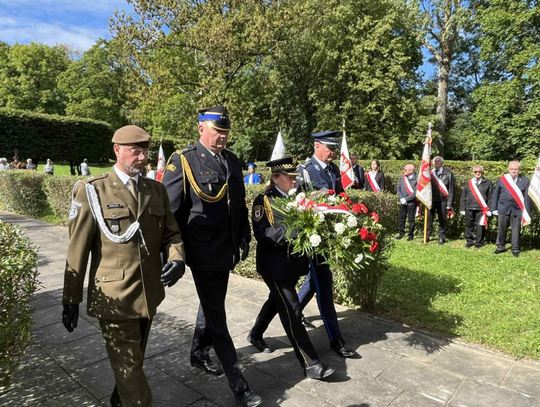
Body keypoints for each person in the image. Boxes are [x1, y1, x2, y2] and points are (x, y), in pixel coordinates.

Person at [61, 125, 186, 407]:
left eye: (145, 151)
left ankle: (119, 401)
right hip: (114, 297)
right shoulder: (93, 190)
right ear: (117, 150)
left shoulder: (156, 189)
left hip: (148, 293)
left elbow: (172, 234)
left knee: (132, 362)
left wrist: (177, 258)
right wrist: (71, 298)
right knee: (129, 368)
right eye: (135, 151)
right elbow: (77, 248)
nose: (142, 157)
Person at [161, 106, 261, 407]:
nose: (222, 137)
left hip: (225, 249)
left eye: (226, 132)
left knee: (212, 303)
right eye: (217, 131)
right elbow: (168, 213)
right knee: (218, 316)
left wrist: (243, 235)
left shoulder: (232, 160)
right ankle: (239, 385)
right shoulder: (183, 161)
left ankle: (198, 352)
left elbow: (238, 204)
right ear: (201, 128)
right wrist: (172, 254)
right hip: (201, 250)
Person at [249, 157, 336, 380]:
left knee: (276, 301)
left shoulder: (299, 199)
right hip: (274, 267)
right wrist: (292, 233)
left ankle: (255, 334)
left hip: (293, 266)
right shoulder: (263, 201)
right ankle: (311, 364)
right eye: (289, 177)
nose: (294, 181)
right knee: (292, 310)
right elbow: (262, 233)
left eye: (295, 177)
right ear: (276, 178)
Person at [296, 131, 355, 359]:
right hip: (312, 238)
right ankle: (335, 339)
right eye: (330, 148)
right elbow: (297, 203)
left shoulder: (333, 170)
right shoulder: (305, 170)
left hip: (329, 236)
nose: (333, 153)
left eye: (334, 149)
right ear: (317, 146)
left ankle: (290, 312)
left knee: (315, 281)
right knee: (324, 285)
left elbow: (340, 197)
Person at [491, 161, 531, 257]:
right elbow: (496, 194)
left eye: (515, 169)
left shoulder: (525, 180)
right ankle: (500, 246)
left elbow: (527, 198)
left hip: (518, 209)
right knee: (501, 228)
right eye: (511, 169)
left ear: (519, 170)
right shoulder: (502, 179)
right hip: (503, 207)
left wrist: (527, 212)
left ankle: (515, 249)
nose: (513, 171)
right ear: (508, 169)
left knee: (516, 230)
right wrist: (493, 208)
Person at [459, 165, 494, 248]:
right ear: (473, 173)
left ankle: (479, 242)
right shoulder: (469, 183)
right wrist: (462, 208)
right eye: (475, 172)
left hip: (481, 209)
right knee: (469, 225)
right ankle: (469, 241)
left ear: (482, 172)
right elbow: (463, 196)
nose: (478, 173)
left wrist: (490, 209)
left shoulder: (488, 183)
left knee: (480, 226)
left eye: (479, 172)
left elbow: (491, 197)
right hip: (469, 207)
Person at [427, 156, 455, 245]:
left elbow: (451, 190)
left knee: (442, 220)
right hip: (431, 200)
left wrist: (449, 204)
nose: (437, 163)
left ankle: (441, 238)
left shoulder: (448, 173)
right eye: (435, 161)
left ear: (442, 163)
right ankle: (426, 236)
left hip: (443, 201)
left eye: (439, 161)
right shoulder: (430, 173)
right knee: (428, 219)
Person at [396, 164, 419, 241]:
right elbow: (398, 188)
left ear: (411, 171)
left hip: (411, 202)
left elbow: (416, 192)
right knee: (401, 218)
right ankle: (401, 233)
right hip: (403, 202)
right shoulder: (403, 177)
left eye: (405, 169)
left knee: (411, 219)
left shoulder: (417, 178)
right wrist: (401, 198)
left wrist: (407, 199)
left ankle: (410, 235)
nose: (404, 171)